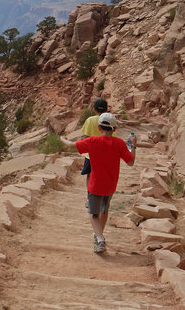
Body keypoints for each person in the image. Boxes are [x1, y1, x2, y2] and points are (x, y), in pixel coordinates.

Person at [60, 112, 135, 254]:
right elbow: (131, 162)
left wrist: (62, 138)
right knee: (104, 210)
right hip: (111, 184)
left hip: (95, 184)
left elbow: (71, 145)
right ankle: (98, 234)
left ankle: (100, 240)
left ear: (99, 128)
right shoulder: (119, 144)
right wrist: (133, 145)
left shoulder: (93, 141)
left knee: (93, 214)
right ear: (114, 129)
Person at [80, 98, 109, 184]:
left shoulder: (90, 120)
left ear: (94, 109)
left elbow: (85, 137)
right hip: (106, 155)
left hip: (92, 155)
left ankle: (89, 194)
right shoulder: (110, 120)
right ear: (106, 109)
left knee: (89, 175)